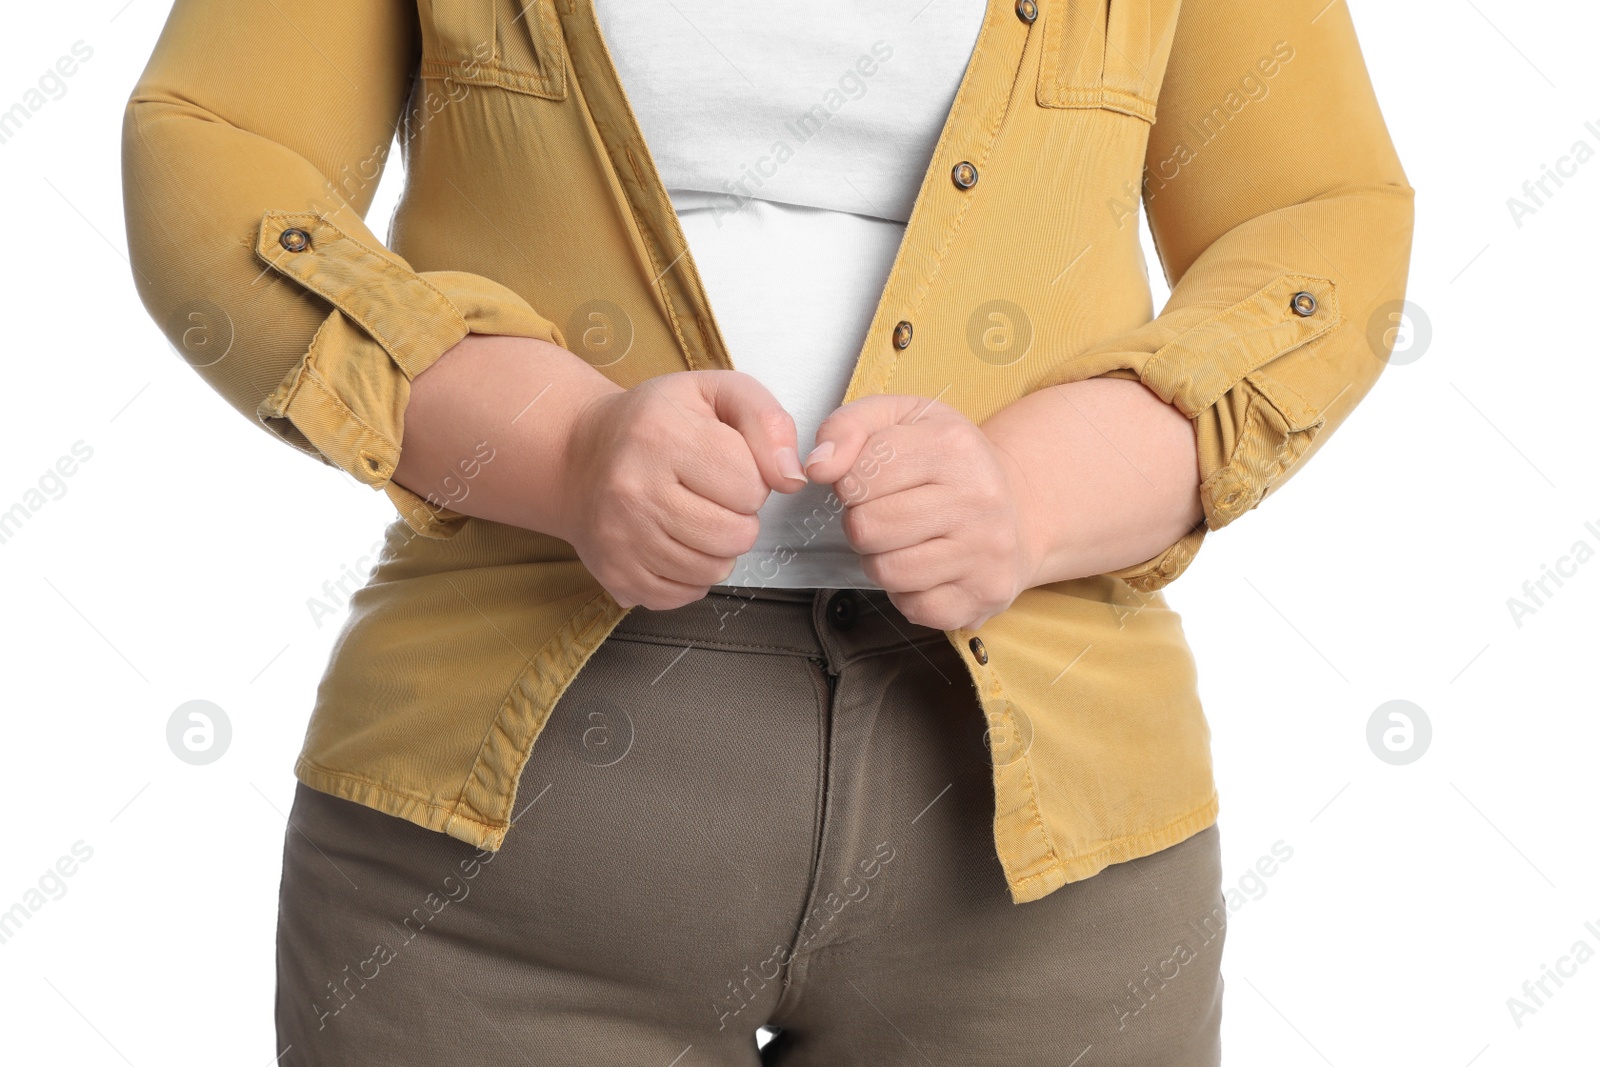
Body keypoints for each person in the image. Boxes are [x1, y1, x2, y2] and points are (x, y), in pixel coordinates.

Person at [121, 1, 1413, 1063]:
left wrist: (1035, 496)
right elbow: (217, 144)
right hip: (498, 821)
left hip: (1053, 824)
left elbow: (1316, 215)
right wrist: (565, 450)